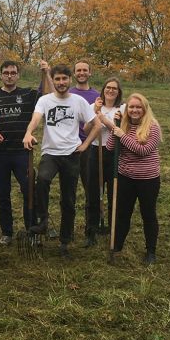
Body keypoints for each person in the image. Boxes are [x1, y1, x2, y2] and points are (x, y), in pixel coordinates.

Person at [22, 64, 97, 258]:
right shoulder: (45, 100)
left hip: (72, 154)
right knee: (43, 180)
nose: (61, 83)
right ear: (52, 81)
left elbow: (95, 125)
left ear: (69, 80)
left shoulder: (78, 101)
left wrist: (85, 144)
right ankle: (44, 219)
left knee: (69, 200)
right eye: (57, 79)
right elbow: (36, 118)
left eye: (64, 79)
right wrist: (29, 133)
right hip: (51, 153)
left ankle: (65, 241)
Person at [0, 60, 48, 245]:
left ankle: (32, 230)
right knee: (2, 194)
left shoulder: (28, 94)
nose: (10, 75)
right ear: (0, 75)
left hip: (23, 153)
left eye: (13, 72)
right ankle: (7, 232)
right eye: (6, 72)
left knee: (29, 191)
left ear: (18, 75)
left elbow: (47, 94)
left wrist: (46, 73)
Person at [106, 93, 162, 265]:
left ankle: (151, 251)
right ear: (126, 109)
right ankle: (117, 246)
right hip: (125, 177)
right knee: (123, 214)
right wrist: (114, 127)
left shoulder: (153, 127)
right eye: (131, 107)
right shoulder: (123, 125)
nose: (135, 110)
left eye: (138, 107)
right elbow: (109, 147)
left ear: (144, 109)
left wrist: (122, 135)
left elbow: (143, 150)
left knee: (148, 214)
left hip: (148, 179)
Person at [83, 78, 124, 235]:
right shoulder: (93, 106)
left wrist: (103, 118)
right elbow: (86, 130)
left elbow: (118, 130)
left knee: (114, 193)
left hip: (115, 154)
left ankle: (114, 229)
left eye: (114, 88)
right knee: (93, 192)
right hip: (95, 151)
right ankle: (91, 229)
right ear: (103, 90)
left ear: (118, 92)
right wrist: (95, 114)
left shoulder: (122, 109)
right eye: (108, 87)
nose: (111, 90)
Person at [69, 60, 101, 246]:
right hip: (70, 148)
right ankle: (69, 230)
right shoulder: (68, 93)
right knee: (69, 191)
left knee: (91, 190)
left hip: (90, 148)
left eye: (85, 70)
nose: (81, 73)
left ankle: (91, 231)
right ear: (74, 73)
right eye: (78, 70)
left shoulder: (97, 96)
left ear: (90, 73)